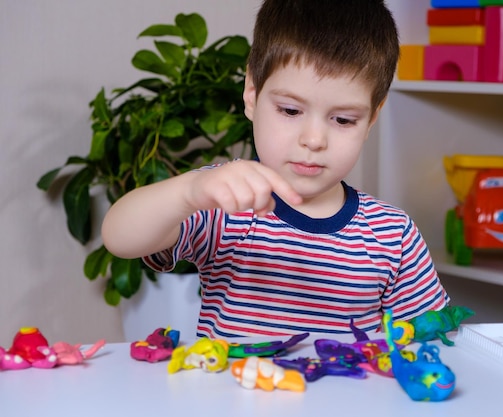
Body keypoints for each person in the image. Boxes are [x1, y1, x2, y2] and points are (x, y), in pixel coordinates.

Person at [102, 0, 449, 338]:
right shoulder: (222, 202)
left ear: (372, 117)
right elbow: (120, 238)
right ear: (252, 94)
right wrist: (189, 192)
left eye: (343, 119)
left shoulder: (392, 235)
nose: (314, 140)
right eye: (290, 111)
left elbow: (436, 337)